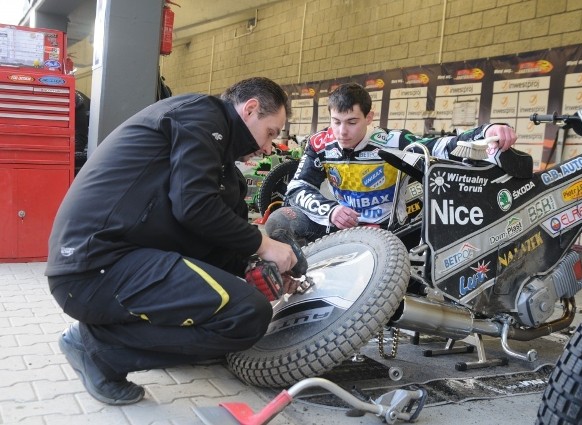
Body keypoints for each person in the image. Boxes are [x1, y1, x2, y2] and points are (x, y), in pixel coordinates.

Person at [46, 77, 300, 405]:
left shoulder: (222, 164)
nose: (268, 148)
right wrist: (264, 244)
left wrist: (255, 264)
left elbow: (207, 236)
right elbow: (193, 206)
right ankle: (97, 349)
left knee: (240, 306)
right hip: (93, 266)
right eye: (271, 133)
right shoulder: (201, 116)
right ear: (250, 109)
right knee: (246, 314)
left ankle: (168, 343)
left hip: (115, 262)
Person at [265, 82, 519, 244]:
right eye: (336, 121)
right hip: (342, 224)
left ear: (369, 118)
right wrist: (329, 210)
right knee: (278, 221)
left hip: (392, 230)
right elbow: (296, 188)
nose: (342, 131)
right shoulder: (320, 144)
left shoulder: (393, 141)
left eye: (352, 122)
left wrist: (487, 130)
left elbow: (441, 146)